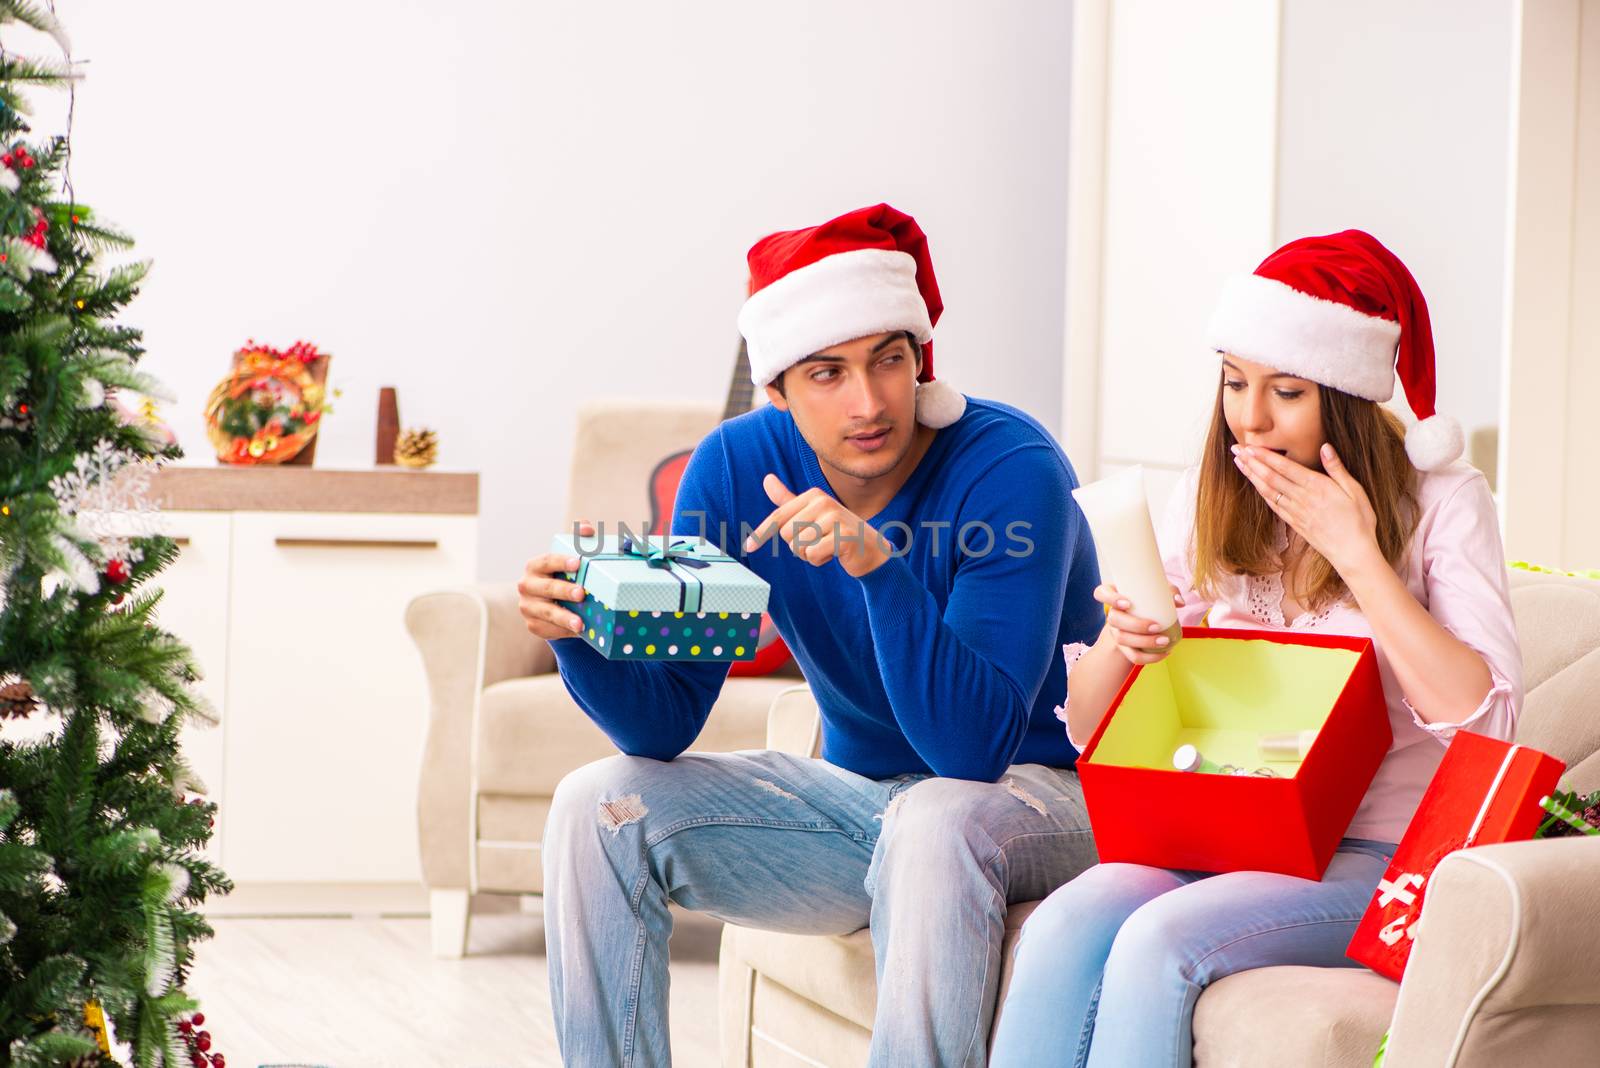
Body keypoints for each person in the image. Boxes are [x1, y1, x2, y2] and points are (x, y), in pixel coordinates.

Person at [518, 203, 1104, 1066]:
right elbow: (664, 727)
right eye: (827, 373)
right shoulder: (733, 465)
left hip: (1041, 794)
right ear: (779, 388)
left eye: (888, 363)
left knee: (937, 818)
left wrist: (878, 569)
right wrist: (576, 627)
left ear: (918, 360)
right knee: (598, 805)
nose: (868, 403)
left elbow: (972, 749)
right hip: (866, 806)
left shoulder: (1009, 466)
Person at [988, 229, 1524, 1068]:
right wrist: (1127, 646)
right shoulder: (1210, 501)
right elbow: (1090, 730)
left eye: (1287, 392)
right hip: (1219, 834)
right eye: (1236, 382)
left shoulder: (1446, 502)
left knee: (1159, 941)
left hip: (1378, 855)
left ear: (1344, 394)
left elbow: (1484, 723)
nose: (1250, 416)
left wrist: (1357, 554)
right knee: (1063, 923)